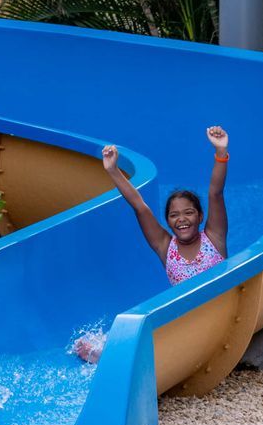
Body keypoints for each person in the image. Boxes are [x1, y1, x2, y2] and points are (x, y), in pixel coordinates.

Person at [74, 127, 231, 362]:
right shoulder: (165, 247)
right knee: (148, 324)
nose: (181, 219)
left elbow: (215, 193)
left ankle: (115, 357)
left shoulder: (214, 238)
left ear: (200, 216)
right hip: (185, 320)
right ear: (167, 221)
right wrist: (113, 170)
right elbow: (139, 206)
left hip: (218, 314)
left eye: (188, 213)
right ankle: (110, 355)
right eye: (174, 215)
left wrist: (221, 151)